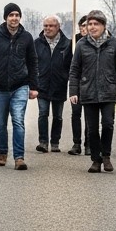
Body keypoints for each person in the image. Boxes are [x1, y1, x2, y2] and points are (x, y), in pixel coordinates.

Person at [69, 10, 116, 173]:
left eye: (96, 24)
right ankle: (96, 159)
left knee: (108, 124)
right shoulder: (81, 44)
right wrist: (73, 91)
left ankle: (106, 156)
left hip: (108, 90)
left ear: (103, 26)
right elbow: (74, 70)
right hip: (87, 92)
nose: (92, 27)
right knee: (92, 128)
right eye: (90, 24)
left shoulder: (113, 43)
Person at [0, 2, 39, 170]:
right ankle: (2, 152)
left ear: (20, 17)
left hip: (20, 85)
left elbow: (33, 62)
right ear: (5, 17)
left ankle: (19, 157)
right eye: (11, 15)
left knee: (18, 121)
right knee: (0, 123)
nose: (14, 18)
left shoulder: (26, 37)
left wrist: (34, 86)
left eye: (17, 15)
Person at [33, 15, 72, 153]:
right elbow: (32, 63)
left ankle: (55, 142)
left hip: (59, 85)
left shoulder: (67, 44)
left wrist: (65, 77)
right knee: (43, 114)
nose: (48, 28)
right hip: (42, 85)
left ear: (58, 27)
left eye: (51, 26)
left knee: (58, 116)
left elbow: (71, 66)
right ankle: (43, 142)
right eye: (45, 26)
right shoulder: (36, 43)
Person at [66, 15, 89, 155]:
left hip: (90, 83)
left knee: (89, 115)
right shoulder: (74, 41)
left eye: (86, 25)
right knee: (76, 113)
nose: (83, 28)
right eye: (81, 25)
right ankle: (76, 143)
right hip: (77, 82)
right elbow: (68, 62)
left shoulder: (95, 41)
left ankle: (89, 143)